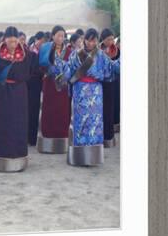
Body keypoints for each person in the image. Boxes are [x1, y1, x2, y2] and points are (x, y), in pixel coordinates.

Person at [55, 28, 120, 166]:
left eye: (95, 40)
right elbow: (68, 71)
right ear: (85, 40)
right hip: (80, 92)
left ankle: (94, 156)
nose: (92, 42)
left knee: (95, 124)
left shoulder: (101, 55)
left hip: (96, 93)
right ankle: (79, 155)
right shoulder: (75, 55)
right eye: (90, 40)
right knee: (81, 123)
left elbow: (111, 68)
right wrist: (59, 67)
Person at [0, 26, 32, 172]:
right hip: (4, 92)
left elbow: (32, 71)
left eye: (15, 39)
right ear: (5, 39)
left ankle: (19, 157)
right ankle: (2, 157)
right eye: (10, 39)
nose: (13, 42)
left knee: (19, 123)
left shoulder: (27, 54)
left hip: (20, 93)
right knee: (4, 123)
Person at [37, 25, 72, 154]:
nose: (61, 38)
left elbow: (72, 66)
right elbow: (40, 65)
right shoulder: (46, 49)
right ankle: (48, 136)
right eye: (58, 35)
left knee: (62, 110)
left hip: (63, 86)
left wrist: (66, 75)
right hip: (50, 84)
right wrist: (48, 70)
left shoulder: (69, 51)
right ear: (53, 36)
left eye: (63, 36)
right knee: (49, 109)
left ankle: (62, 136)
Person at [100, 28, 120, 147]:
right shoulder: (98, 50)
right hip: (101, 83)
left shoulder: (117, 50)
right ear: (103, 40)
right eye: (109, 39)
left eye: (112, 38)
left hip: (113, 83)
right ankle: (101, 136)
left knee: (110, 109)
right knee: (101, 110)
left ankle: (109, 136)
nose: (111, 41)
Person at [27, 31, 46, 145]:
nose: (42, 44)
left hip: (37, 84)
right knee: (27, 110)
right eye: (41, 42)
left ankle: (32, 138)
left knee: (34, 109)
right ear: (36, 40)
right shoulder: (29, 51)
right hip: (29, 83)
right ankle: (27, 137)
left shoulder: (42, 52)